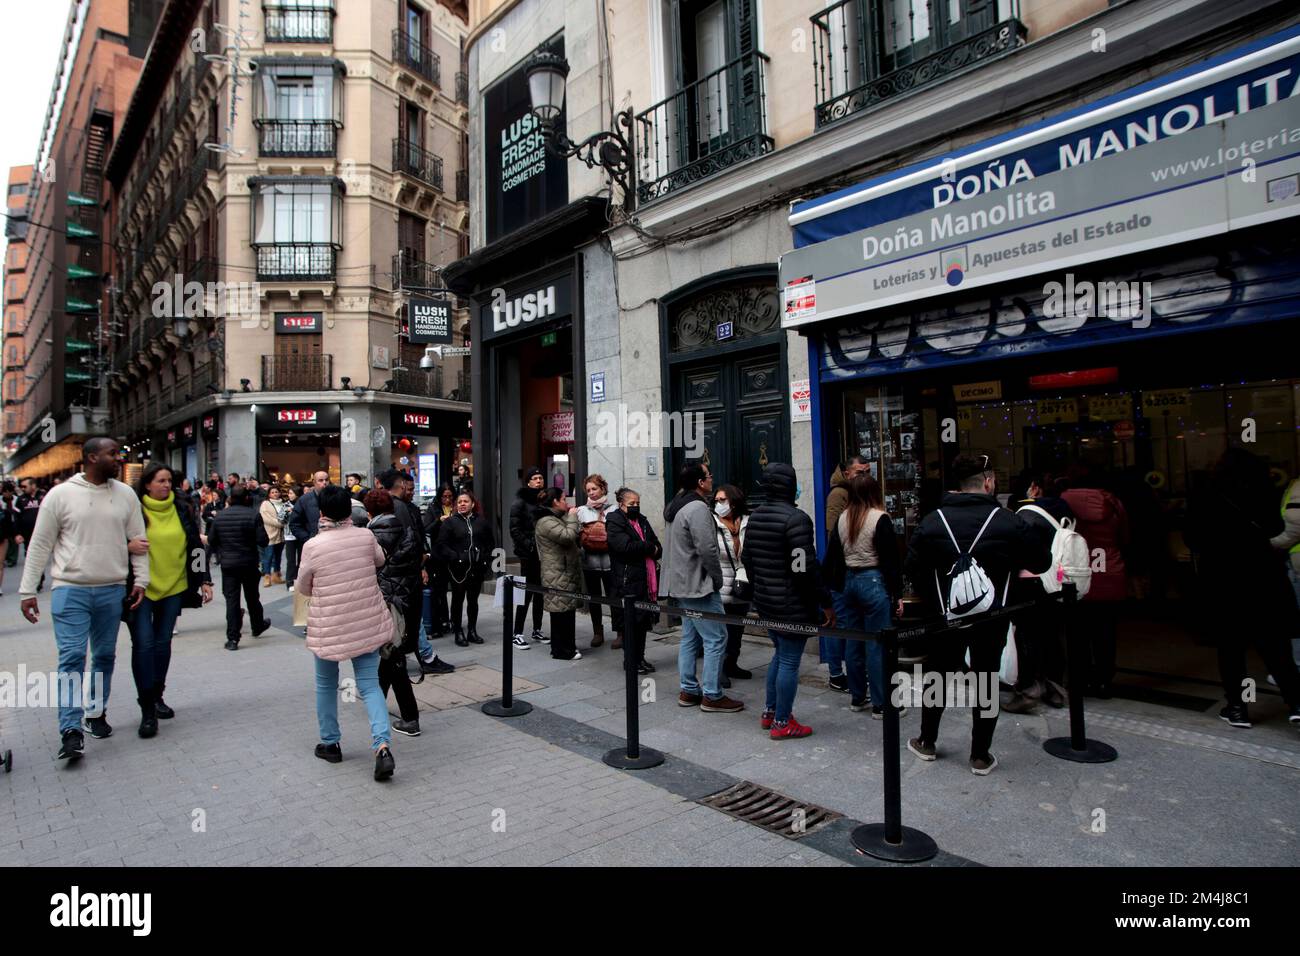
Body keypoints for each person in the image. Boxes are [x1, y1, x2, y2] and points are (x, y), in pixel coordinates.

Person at [904, 454, 1051, 774]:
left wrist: (938, 597)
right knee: (986, 680)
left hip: (945, 618)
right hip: (992, 617)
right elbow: (1042, 562)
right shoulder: (1009, 520)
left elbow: (913, 568)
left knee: (937, 677)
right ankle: (980, 755)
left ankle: (927, 741)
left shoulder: (932, 520)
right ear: (987, 482)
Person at [18, 438, 149, 762]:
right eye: (112, 454)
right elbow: (39, 545)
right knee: (73, 657)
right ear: (92, 457)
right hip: (69, 589)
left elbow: (139, 541)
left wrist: (141, 580)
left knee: (104, 655)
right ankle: (70, 729)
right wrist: (27, 590)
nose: (119, 459)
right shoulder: (60, 495)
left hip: (111, 588)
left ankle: (95, 713)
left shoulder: (125, 494)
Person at [1186, 449, 1300, 729]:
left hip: (1225, 581)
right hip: (1264, 579)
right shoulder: (1267, 493)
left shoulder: (1207, 496)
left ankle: (1237, 707)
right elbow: (1277, 530)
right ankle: (1296, 703)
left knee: (1231, 648)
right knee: (1276, 647)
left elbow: (1193, 538)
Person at [296, 485, 397, 781]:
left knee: (326, 685)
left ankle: (331, 743)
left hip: (329, 624)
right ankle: (382, 746)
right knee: (369, 685)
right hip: (365, 620)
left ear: (323, 512)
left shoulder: (313, 546)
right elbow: (380, 561)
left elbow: (303, 586)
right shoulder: (366, 536)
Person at [742, 462, 832, 738]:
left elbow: (747, 559)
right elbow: (804, 566)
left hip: (767, 601)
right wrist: (824, 601)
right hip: (792, 605)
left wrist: (761, 589)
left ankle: (770, 712)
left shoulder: (755, 517)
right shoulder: (796, 519)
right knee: (790, 661)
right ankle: (782, 722)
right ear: (791, 486)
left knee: (780, 656)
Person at [127, 463, 214, 738]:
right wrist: (124, 545)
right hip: (141, 588)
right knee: (143, 644)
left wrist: (204, 579)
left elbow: (194, 546)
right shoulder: (133, 509)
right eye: (160, 481)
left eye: (169, 481)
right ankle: (146, 709)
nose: (166, 485)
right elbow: (112, 540)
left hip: (175, 585)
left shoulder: (183, 507)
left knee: (163, 643)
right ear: (147, 484)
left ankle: (157, 695)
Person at [663, 462, 742, 713]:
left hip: (682, 582)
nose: (711, 479)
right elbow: (708, 549)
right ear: (700, 482)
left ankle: (689, 690)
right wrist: (717, 579)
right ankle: (712, 694)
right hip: (698, 584)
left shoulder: (677, 506)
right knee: (717, 637)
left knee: (690, 637)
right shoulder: (696, 507)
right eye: (709, 476)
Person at [823, 473, 902, 717]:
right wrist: (897, 594)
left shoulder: (843, 519)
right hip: (873, 581)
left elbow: (833, 555)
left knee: (854, 643)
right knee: (878, 645)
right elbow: (890, 560)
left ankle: (858, 697)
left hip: (848, 582)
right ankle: (881, 703)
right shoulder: (880, 518)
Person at [1005, 472, 1074, 713]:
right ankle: (1055, 688)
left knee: (1027, 636)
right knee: (1054, 634)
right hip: (1059, 581)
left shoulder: (1026, 514)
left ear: (1033, 489)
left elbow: (1018, 550)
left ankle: (1028, 688)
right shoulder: (1065, 510)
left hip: (1030, 582)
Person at [1060, 470, 1129, 698]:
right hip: (1109, 575)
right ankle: (1104, 681)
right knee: (1105, 634)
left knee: (1077, 634)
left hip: (1076, 577)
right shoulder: (1113, 503)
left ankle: (1080, 680)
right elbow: (1124, 537)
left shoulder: (1064, 502)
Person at [364, 488, 422, 737]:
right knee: (391, 655)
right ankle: (376, 699)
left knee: (393, 658)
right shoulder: (407, 530)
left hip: (385, 602)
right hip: (406, 600)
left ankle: (410, 718)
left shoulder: (370, 537)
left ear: (370, 512)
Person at [821, 456, 869, 691]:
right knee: (838, 622)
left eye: (867, 471)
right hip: (841, 569)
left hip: (853, 568)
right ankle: (836, 673)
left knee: (850, 622)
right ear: (848, 472)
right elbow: (834, 533)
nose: (864, 475)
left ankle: (856, 671)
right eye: (860, 471)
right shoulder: (839, 494)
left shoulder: (859, 492)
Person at [207, 485, 271, 650]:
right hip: (249, 562)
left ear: (230, 499)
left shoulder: (220, 516)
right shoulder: (253, 515)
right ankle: (257, 625)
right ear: (247, 498)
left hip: (228, 564)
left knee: (232, 601)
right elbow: (263, 541)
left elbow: (212, 541)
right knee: (252, 597)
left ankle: (233, 638)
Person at [378, 469, 430, 669]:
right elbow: (411, 542)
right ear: (400, 485)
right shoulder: (399, 507)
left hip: (390, 576)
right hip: (402, 578)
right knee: (403, 628)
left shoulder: (388, 506)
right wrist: (422, 560)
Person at [607, 487, 662, 675]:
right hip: (627, 579)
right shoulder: (614, 520)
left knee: (643, 622)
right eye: (631, 504)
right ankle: (630, 661)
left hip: (645, 579)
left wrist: (650, 548)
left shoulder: (643, 520)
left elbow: (658, 546)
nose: (635, 506)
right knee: (631, 623)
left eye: (637, 503)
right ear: (621, 504)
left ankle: (640, 658)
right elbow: (624, 547)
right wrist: (648, 547)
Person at [437, 491, 494, 646]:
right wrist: (454, 557)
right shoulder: (450, 522)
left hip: (476, 567)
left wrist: (485, 559)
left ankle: (472, 630)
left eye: (465, 501)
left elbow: (490, 543)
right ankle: (458, 631)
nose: (462, 504)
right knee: (458, 600)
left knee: (473, 600)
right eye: (460, 502)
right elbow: (441, 544)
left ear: (473, 504)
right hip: (457, 569)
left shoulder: (481, 522)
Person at [534, 487, 584, 661]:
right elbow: (566, 536)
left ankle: (567, 647)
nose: (567, 502)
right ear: (555, 501)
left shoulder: (556, 517)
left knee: (566, 612)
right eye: (564, 499)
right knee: (560, 614)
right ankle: (562, 650)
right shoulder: (546, 521)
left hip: (563, 571)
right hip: (556, 573)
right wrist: (572, 516)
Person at [712, 483, 752, 688]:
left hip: (742, 583)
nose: (718, 504)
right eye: (716, 500)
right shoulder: (712, 523)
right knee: (721, 632)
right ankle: (718, 671)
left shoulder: (747, 522)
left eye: (723, 500)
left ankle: (732, 664)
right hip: (721, 584)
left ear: (734, 502)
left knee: (737, 630)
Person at [577, 474, 619, 649]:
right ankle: (597, 632)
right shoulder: (581, 511)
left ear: (603, 488)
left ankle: (620, 632)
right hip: (590, 562)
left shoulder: (615, 509)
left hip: (611, 562)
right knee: (594, 598)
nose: (592, 493)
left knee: (615, 598)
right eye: (588, 490)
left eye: (594, 488)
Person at [509, 467, 548, 649]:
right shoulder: (520, 503)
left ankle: (537, 629)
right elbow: (515, 529)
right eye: (535, 478)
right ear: (529, 482)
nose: (539, 481)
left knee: (540, 592)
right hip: (528, 554)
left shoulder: (545, 502)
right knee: (526, 593)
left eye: (541, 477)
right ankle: (517, 633)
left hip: (543, 553)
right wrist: (529, 545)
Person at [288, 471, 329, 552]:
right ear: (314, 482)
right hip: (312, 546)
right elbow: (294, 524)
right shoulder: (304, 500)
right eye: (320, 480)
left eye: (326, 480)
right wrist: (308, 539)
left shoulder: (335, 498)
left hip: (331, 544)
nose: (324, 483)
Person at [259, 485, 287, 587]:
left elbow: (286, 516)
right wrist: (279, 523)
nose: (275, 494)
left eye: (276, 492)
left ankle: (276, 575)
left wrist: (283, 522)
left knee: (278, 556)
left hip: (281, 534)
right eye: (272, 492)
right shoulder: (265, 504)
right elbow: (266, 518)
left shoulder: (283, 504)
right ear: (269, 494)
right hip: (270, 534)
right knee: (268, 556)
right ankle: (267, 577)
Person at [0, 481, 20, 594]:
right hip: (5, 531)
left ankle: (12, 559)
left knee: (0, 562)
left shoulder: (16, 500)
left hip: (7, 531)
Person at [283, 483, 303, 591]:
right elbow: (280, 519)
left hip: (300, 535)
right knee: (290, 560)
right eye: (289, 493)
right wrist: (287, 513)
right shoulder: (285, 505)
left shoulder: (302, 504)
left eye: (292, 493)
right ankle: (290, 581)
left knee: (301, 559)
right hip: (289, 536)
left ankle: (300, 580)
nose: (289, 495)